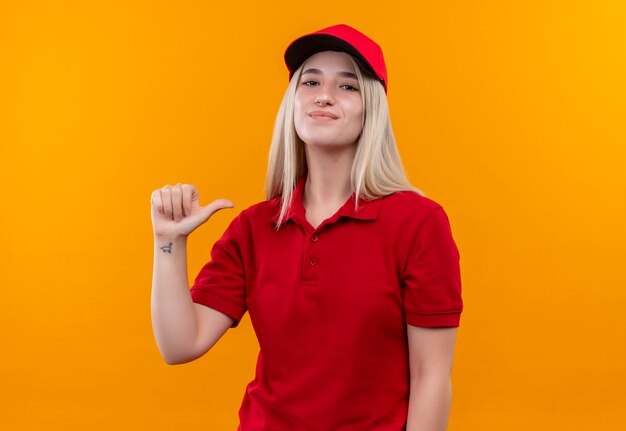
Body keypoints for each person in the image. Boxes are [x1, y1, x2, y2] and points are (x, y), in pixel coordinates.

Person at [151, 24, 463, 431]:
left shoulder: (419, 224)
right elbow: (179, 345)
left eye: (347, 86)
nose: (324, 95)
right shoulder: (254, 228)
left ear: (372, 108)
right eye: (310, 81)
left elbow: (432, 378)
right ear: (293, 103)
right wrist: (168, 243)